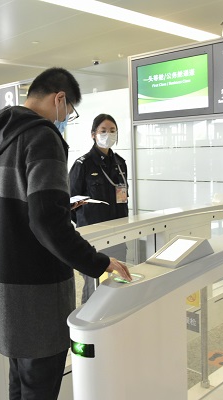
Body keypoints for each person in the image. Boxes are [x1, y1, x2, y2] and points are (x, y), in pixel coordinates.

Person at [0, 67, 131, 400]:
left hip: (4, 282)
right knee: (40, 386)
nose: (66, 118)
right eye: (69, 111)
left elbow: (6, 210)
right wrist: (98, 262)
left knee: (20, 381)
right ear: (59, 99)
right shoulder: (42, 137)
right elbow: (47, 221)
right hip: (39, 290)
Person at [69, 114, 129, 304]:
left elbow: (123, 198)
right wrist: (86, 223)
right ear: (93, 134)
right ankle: (88, 318)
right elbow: (71, 203)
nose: (108, 134)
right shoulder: (83, 164)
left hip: (119, 234)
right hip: (94, 238)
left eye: (112, 131)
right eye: (103, 131)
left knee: (118, 282)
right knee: (93, 285)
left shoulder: (120, 163)